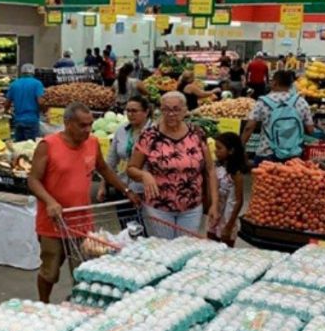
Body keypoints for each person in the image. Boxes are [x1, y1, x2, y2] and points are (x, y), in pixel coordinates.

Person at [28, 102, 139, 302]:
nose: (88, 130)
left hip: (81, 221)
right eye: (82, 125)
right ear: (67, 123)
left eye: (90, 125)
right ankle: (43, 304)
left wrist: (126, 190)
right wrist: (50, 201)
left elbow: (104, 169)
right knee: (50, 271)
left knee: (83, 269)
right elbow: (33, 180)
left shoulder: (93, 143)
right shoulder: (48, 145)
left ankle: (79, 304)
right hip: (53, 222)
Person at [127, 91, 219, 239]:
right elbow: (131, 168)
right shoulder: (149, 136)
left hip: (192, 207)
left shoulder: (197, 133)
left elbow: (210, 170)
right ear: (160, 110)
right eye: (166, 109)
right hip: (159, 207)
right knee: (164, 252)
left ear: (185, 110)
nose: (171, 114)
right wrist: (144, 174)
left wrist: (215, 203)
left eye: (176, 109)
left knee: (185, 250)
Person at [242, 70, 315, 165]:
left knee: (263, 179)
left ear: (275, 82)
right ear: (291, 85)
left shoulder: (263, 102)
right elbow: (310, 129)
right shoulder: (301, 102)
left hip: (267, 153)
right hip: (294, 155)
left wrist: (241, 144)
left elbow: (249, 127)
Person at [98, 95, 152, 202]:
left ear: (146, 112)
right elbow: (111, 160)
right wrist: (103, 185)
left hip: (146, 190)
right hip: (123, 188)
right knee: (126, 218)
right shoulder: (121, 130)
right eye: (128, 111)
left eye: (134, 111)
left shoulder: (155, 132)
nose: (130, 114)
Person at [208, 132, 249, 247]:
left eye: (219, 148)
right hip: (216, 212)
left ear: (231, 151)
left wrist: (229, 225)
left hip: (227, 217)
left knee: (225, 247)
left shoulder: (236, 173)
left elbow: (239, 201)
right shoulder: (218, 167)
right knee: (210, 245)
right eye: (216, 148)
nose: (216, 151)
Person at [5, 64, 46, 141]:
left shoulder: (14, 84)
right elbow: (40, 102)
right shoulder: (37, 83)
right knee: (31, 147)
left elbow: (7, 103)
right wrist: (45, 111)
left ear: (22, 72)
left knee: (19, 147)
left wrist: (5, 111)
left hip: (18, 120)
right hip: (32, 120)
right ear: (33, 73)